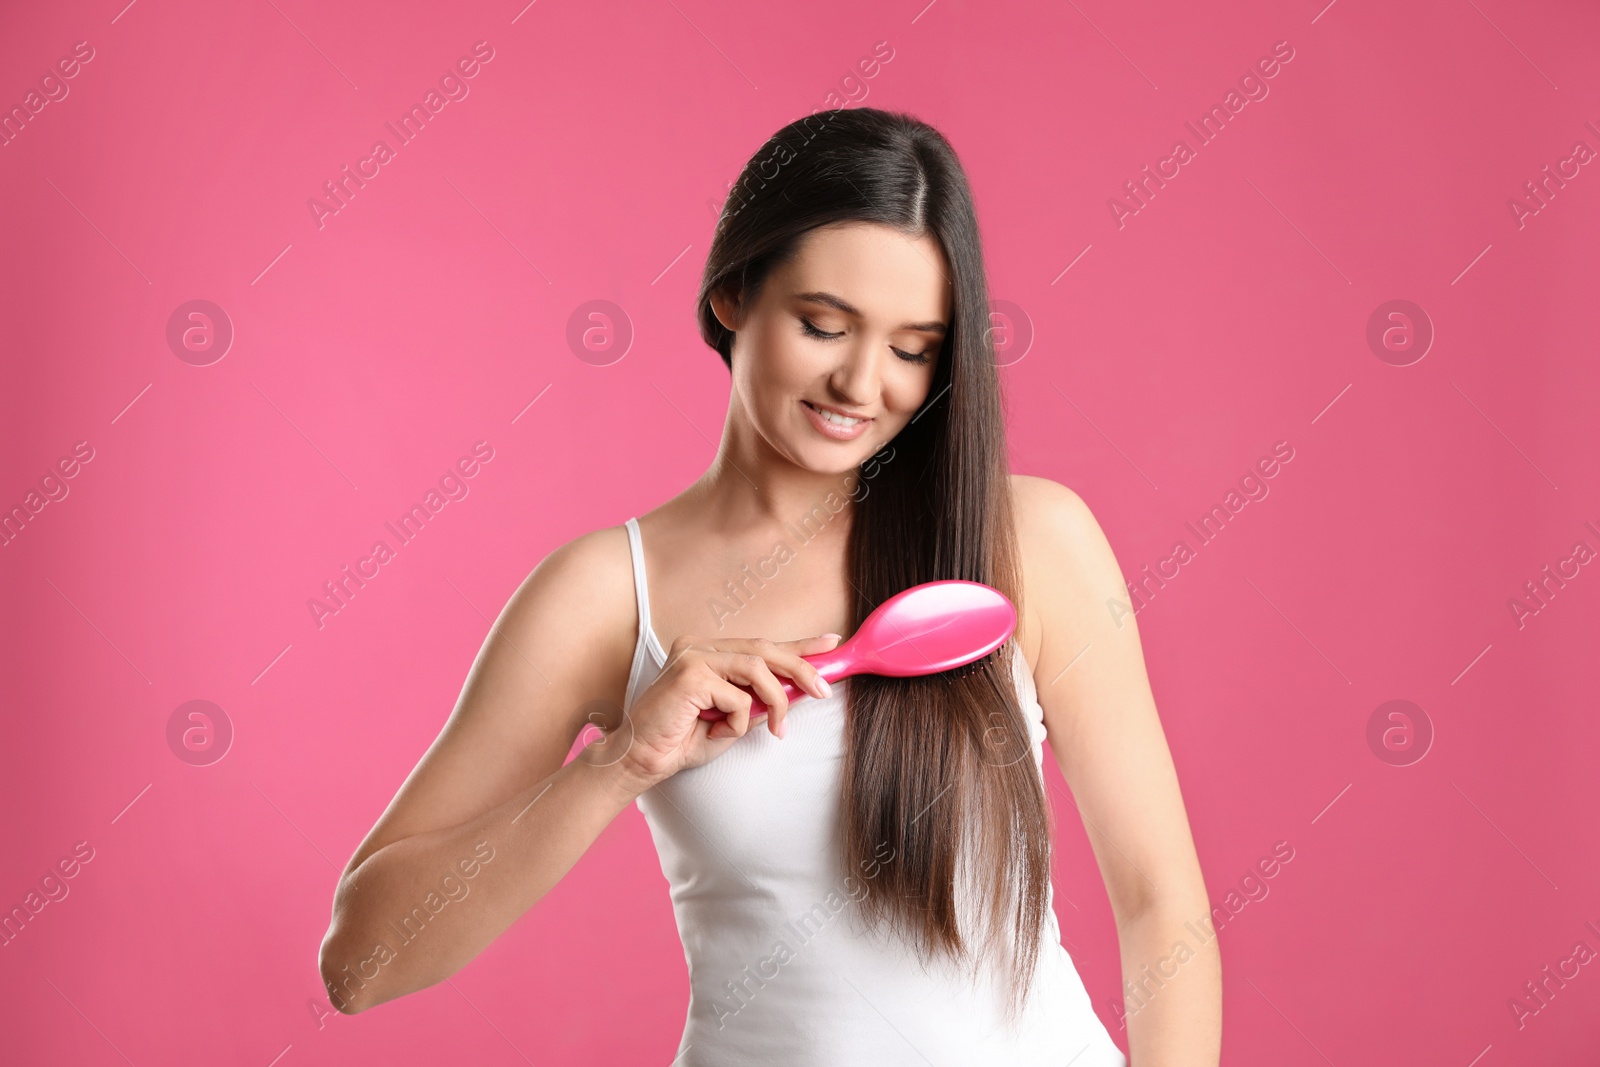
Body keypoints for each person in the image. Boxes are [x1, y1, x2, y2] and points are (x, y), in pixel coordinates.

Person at [318, 106, 1221, 1066]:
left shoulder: (1028, 541)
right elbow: (361, 964)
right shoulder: (606, 597)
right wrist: (619, 764)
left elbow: (1163, 902)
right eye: (824, 325)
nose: (863, 383)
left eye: (914, 348)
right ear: (733, 294)